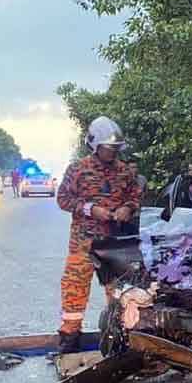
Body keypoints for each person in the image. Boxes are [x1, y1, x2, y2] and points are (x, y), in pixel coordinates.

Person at [55, 116, 142, 353]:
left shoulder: (125, 171)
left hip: (114, 242)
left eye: (115, 149)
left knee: (119, 291)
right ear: (95, 146)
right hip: (83, 241)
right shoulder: (78, 169)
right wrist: (90, 209)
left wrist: (127, 208)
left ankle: (119, 336)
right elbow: (63, 199)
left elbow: (135, 196)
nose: (112, 153)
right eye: (107, 148)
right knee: (75, 287)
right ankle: (70, 337)